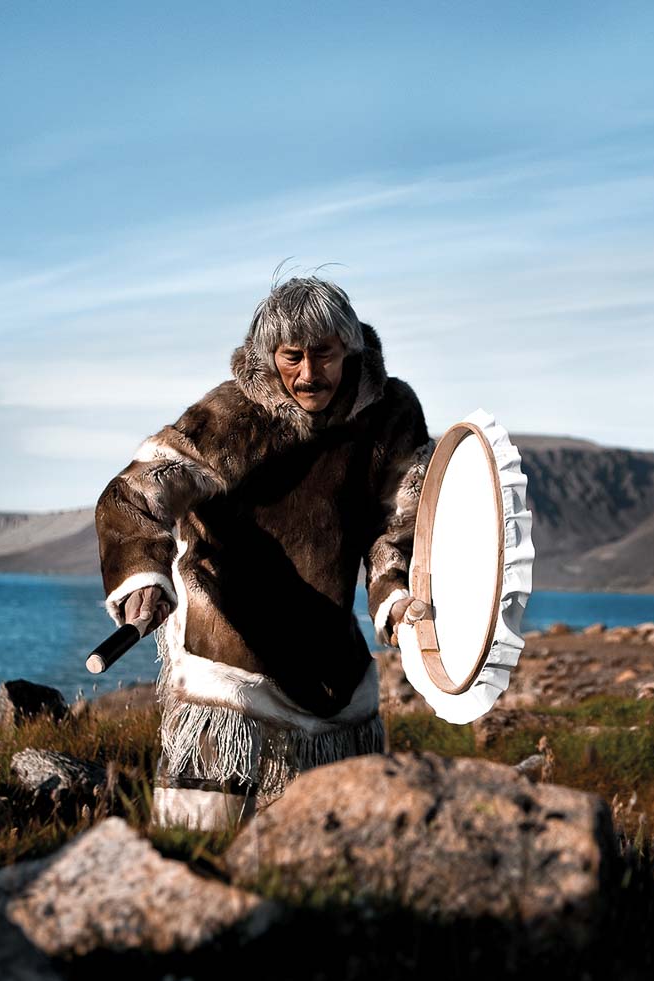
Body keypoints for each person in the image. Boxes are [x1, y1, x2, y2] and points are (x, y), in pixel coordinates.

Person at [95, 276, 432, 831]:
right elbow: (138, 491)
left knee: (335, 838)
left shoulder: (391, 414)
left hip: (328, 655)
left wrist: (393, 594)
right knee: (198, 831)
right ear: (269, 356)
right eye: (291, 356)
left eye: (323, 353)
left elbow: (398, 520)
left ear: (349, 347)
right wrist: (145, 576)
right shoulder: (229, 417)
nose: (307, 373)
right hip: (227, 648)